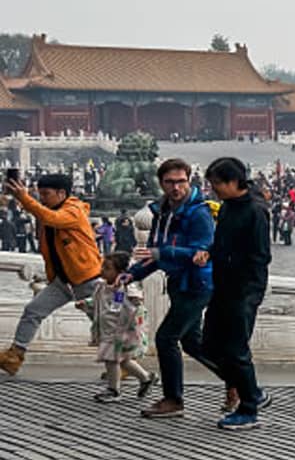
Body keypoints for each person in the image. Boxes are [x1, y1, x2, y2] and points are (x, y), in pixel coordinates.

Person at [127, 160, 216, 418]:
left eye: (181, 181)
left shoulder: (199, 212)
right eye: (170, 182)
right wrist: (131, 274)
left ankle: (173, 399)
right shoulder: (162, 211)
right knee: (192, 342)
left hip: (197, 283)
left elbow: (201, 250)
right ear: (161, 183)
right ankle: (238, 382)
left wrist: (161, 252)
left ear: (189, 180)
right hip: (177, 283)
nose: (176, 187)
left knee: (166, 338)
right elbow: (153, 254)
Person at [190, 158, 273, 429]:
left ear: (234, 181)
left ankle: (249, 409)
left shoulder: (255, 211)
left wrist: (239, 272)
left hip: (245, 288)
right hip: (223, 285)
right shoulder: (227, 207)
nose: (213, 189)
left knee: (237, 348)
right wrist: (210, 252)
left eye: (217, 183)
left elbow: (261, 255)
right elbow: (221, 241)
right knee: (209, 346)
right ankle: (253, 391)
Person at [0, 173, 103, 375]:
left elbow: (50, 218)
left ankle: (125, 362)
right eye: (40, 194)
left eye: (46, 194)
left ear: (61, 193)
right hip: (62, 280)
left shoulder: (73, 211)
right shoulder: (52, 210)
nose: (42, 199)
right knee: (33, 310)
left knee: (103, 322)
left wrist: (24, 198)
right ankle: (15, 355)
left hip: (86, 279)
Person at [86, 251, 154, 403]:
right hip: (108, 330)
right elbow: (97, 303)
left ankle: (114, 390)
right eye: (103, 266)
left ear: (121, 272)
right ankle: (146, 378)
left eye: (107, 268)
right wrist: (85, 304)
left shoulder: (125, 289)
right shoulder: (101, 287)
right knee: (123, 360)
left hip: (120, 332)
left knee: (111, 360)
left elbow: (133, 304)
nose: (102, 270)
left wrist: (133, 298)